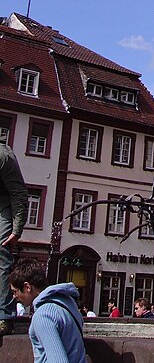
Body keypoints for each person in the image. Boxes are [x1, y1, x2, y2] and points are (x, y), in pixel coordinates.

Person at [9, 257, 86, 362]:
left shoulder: (43, 315)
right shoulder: (68, 303)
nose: (14, 296)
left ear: (27, 287)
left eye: (15, 291)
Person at [0, 140, 28, 336]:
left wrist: (16, 231)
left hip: (5, 205)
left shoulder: (4, 156)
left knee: (0, 251)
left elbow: (19, 194)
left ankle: (4, 316)